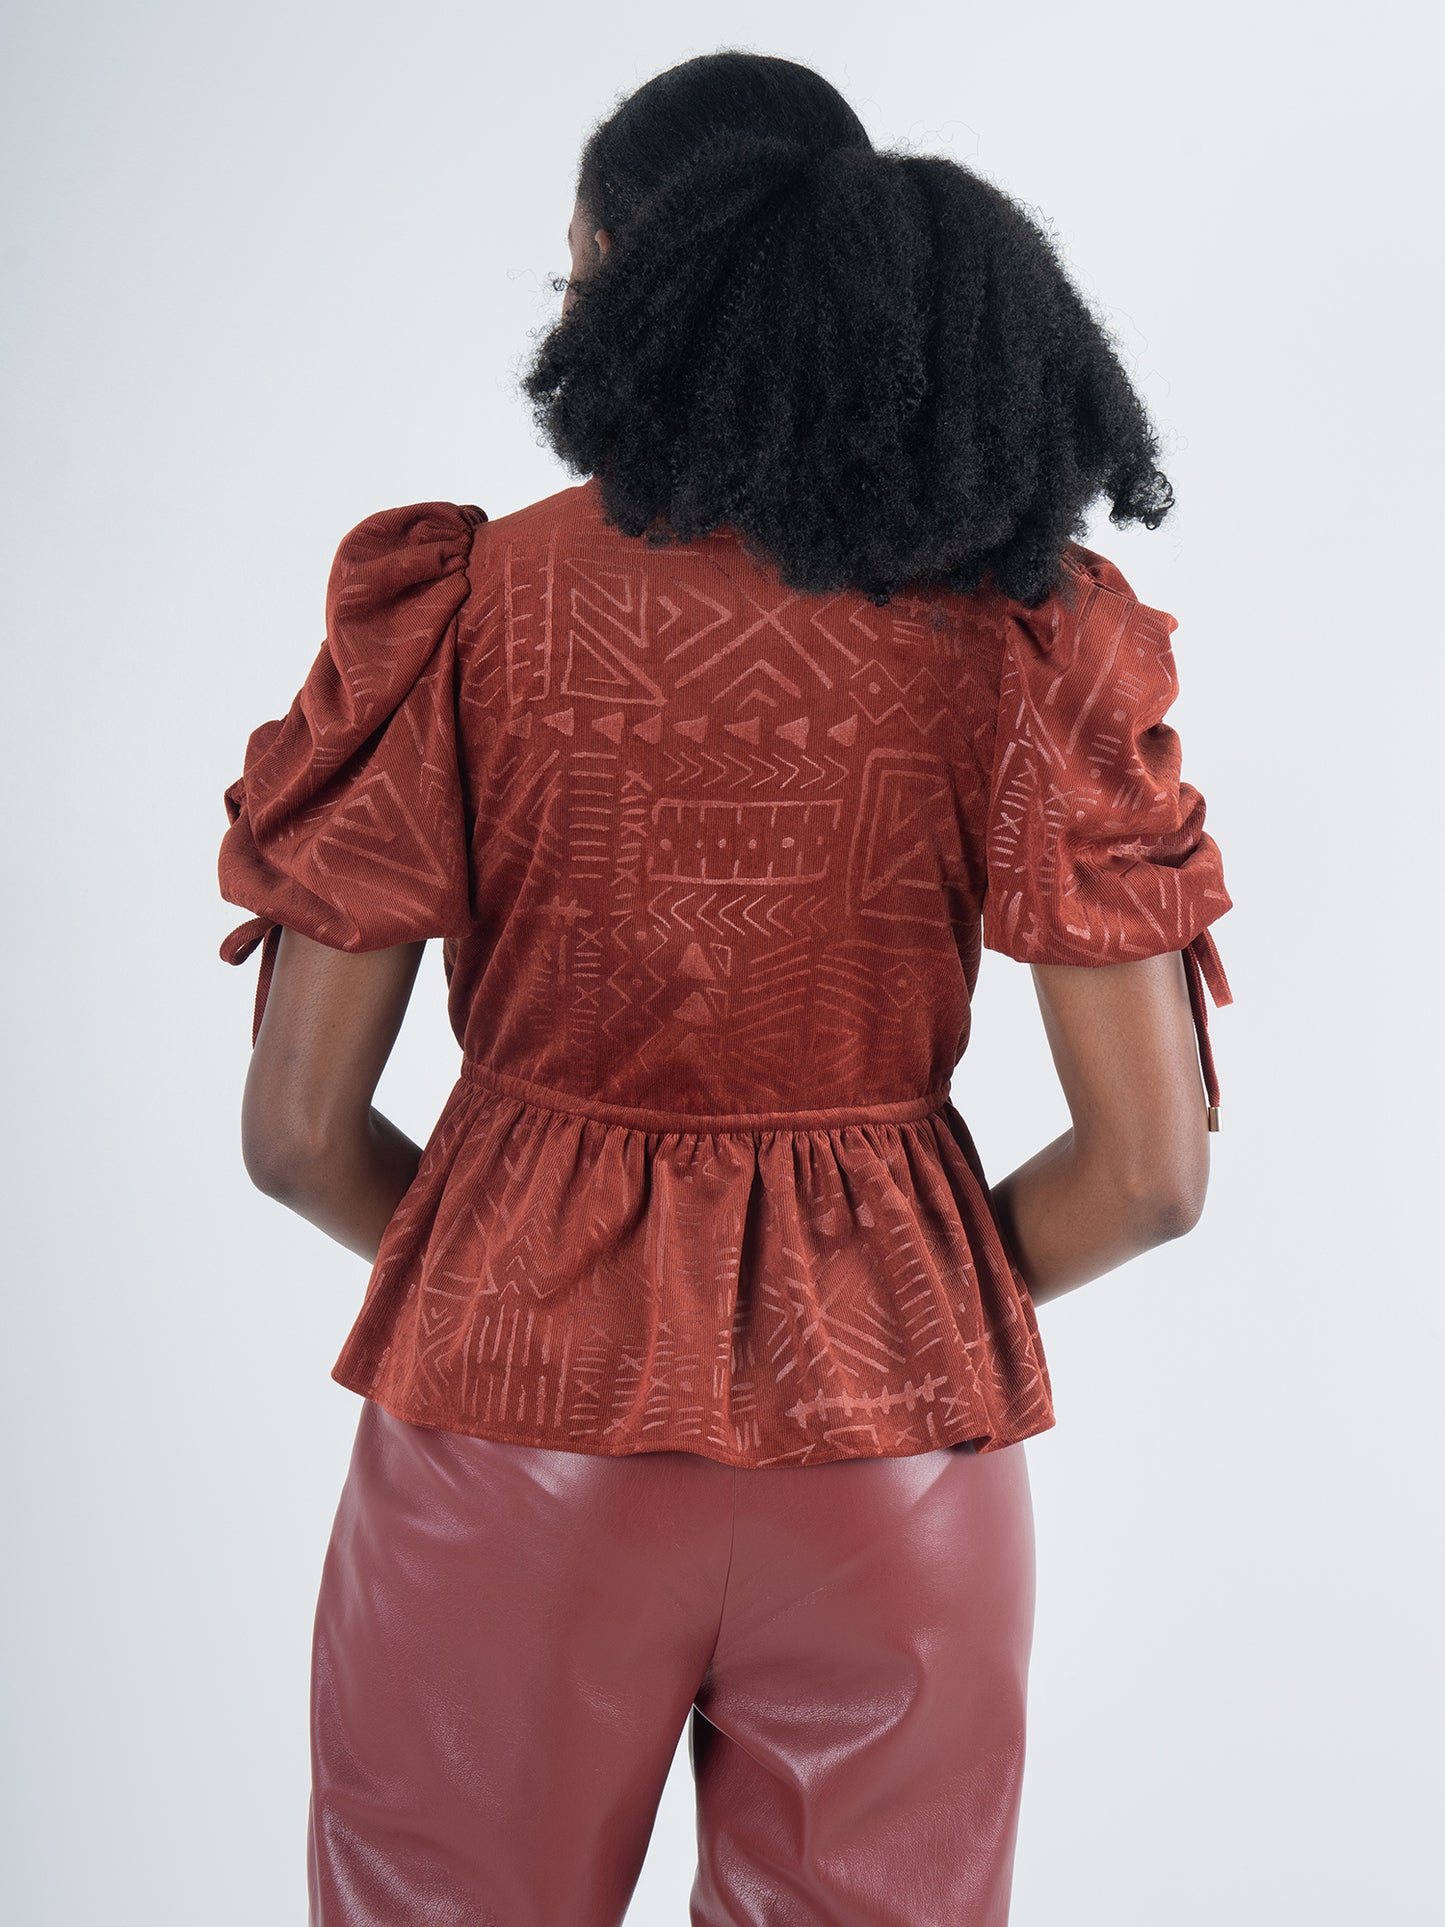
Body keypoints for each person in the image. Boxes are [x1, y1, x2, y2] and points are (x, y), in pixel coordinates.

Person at [216, 48, 1233, 1927]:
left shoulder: (458, 604)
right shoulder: (1026, 635)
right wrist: (873, 1303)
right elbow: (1155, 1176)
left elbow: (293, 1135)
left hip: (510, 1437)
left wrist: (521, 1277)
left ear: (610, 270)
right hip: (896, 1464)